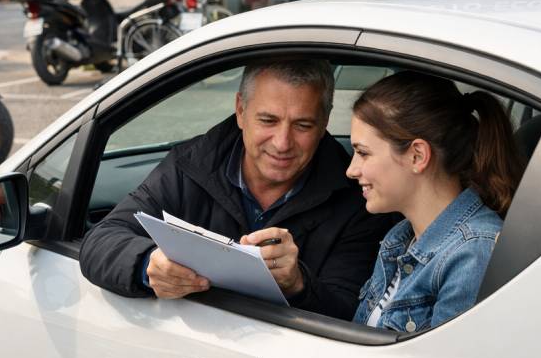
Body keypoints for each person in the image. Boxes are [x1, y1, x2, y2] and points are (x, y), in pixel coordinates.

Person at [79, 59, 395, 319]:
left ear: (325, 121)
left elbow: (354, 316)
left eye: (303, 125)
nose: (282, 143)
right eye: (268, 121)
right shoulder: (192, 166)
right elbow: (101, 241)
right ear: (241, 111)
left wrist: (298, 284)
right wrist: (149, 265)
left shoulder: (358, 198)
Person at [347, 71, 525, 333]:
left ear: (417, 156)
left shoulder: (473, 253)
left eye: (363, 153)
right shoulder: (401, 237)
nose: (351, 170)